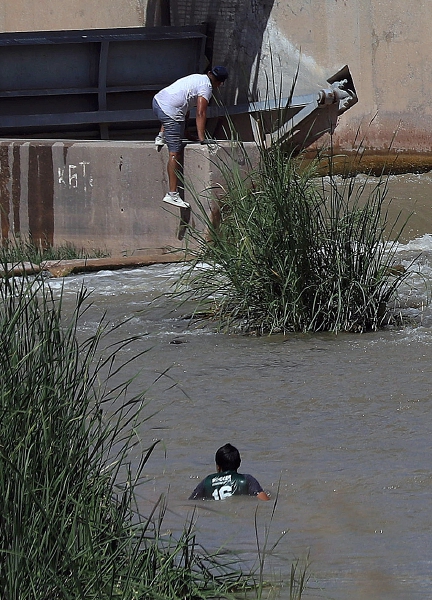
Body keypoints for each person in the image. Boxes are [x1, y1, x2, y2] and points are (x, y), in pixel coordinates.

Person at [152, 66, 229, 209]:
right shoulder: (207, 88)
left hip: (157, 102)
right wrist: (202, 138)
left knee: (176, 114)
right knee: (175, 152)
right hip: (169, 111)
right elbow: (201, 112)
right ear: (220, 83)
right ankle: (172, 194)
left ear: (209, 73)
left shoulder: (197, 78)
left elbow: (185, 107)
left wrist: (187, 134)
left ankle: (160, 136)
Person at [189, 443, 270, 501]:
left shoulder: (207, 481)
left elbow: (191, 503)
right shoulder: (246, 480)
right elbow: (265, 500)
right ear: (239, 463)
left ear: (218, 466)